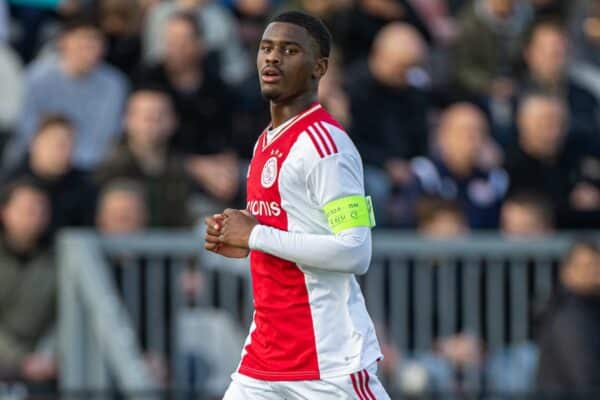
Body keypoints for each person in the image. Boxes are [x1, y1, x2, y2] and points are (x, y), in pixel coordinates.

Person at [204, 11, 390, 399]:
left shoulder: (328, 146)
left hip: (327, 359)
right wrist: (240, 235)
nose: (272, 58)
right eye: (266, 49)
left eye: (289, 50)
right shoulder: (264, 142)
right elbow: (288, 228)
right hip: (264, 358)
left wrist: (256, 235)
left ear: (318, 68)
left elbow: (356, 251)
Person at [7, 17, 129, 171]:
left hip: (91, 165)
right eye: (83, 43)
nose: (90, 50)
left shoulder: (114, 84)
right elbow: (25, 126)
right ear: (63, 42)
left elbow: (107, 134)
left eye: (96, 43)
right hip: (39, 159)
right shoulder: (37, 77)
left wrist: (74, 160)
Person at [346, 22, 431, 225]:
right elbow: (349, 141)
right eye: (401, 67)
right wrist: (386, 164)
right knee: (376, 188)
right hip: (364, 166)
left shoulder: (413, 93)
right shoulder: (354, 89)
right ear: (380, 57)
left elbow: (420, 139)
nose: (406, 75)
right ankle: (373, 248)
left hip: (404, 165)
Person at [95, 87, 192, 228]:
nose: (152, 122)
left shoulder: (185, 171)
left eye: (160, 115)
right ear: (126, 120)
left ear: (173, 121)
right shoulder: (107, 171)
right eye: (145, 115)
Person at [407, 102, 508, 229]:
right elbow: (408, 223)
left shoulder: (495, 179)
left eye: (479, 132)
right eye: (463, 131)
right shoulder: (424, 173)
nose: (472, 139)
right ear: (443, 136)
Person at [0, 179, 56, 385]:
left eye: (42, 210)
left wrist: (46, 356)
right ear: (5, 212)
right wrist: (20, 359)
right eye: (27, 209)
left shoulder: (57, 259)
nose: (35, 217)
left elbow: (62, 317)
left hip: (42, 363)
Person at [2, 114, 97, 235]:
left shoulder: (84, 187)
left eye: (70, 145)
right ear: (35, 142)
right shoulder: (9, 182)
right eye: (57, 144)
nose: (64, 151)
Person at [536, 240, 600, 396]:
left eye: (597, 264)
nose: (594, 271)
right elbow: (586, 379)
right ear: (566, 272)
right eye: (585, 266)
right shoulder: (570, 316)